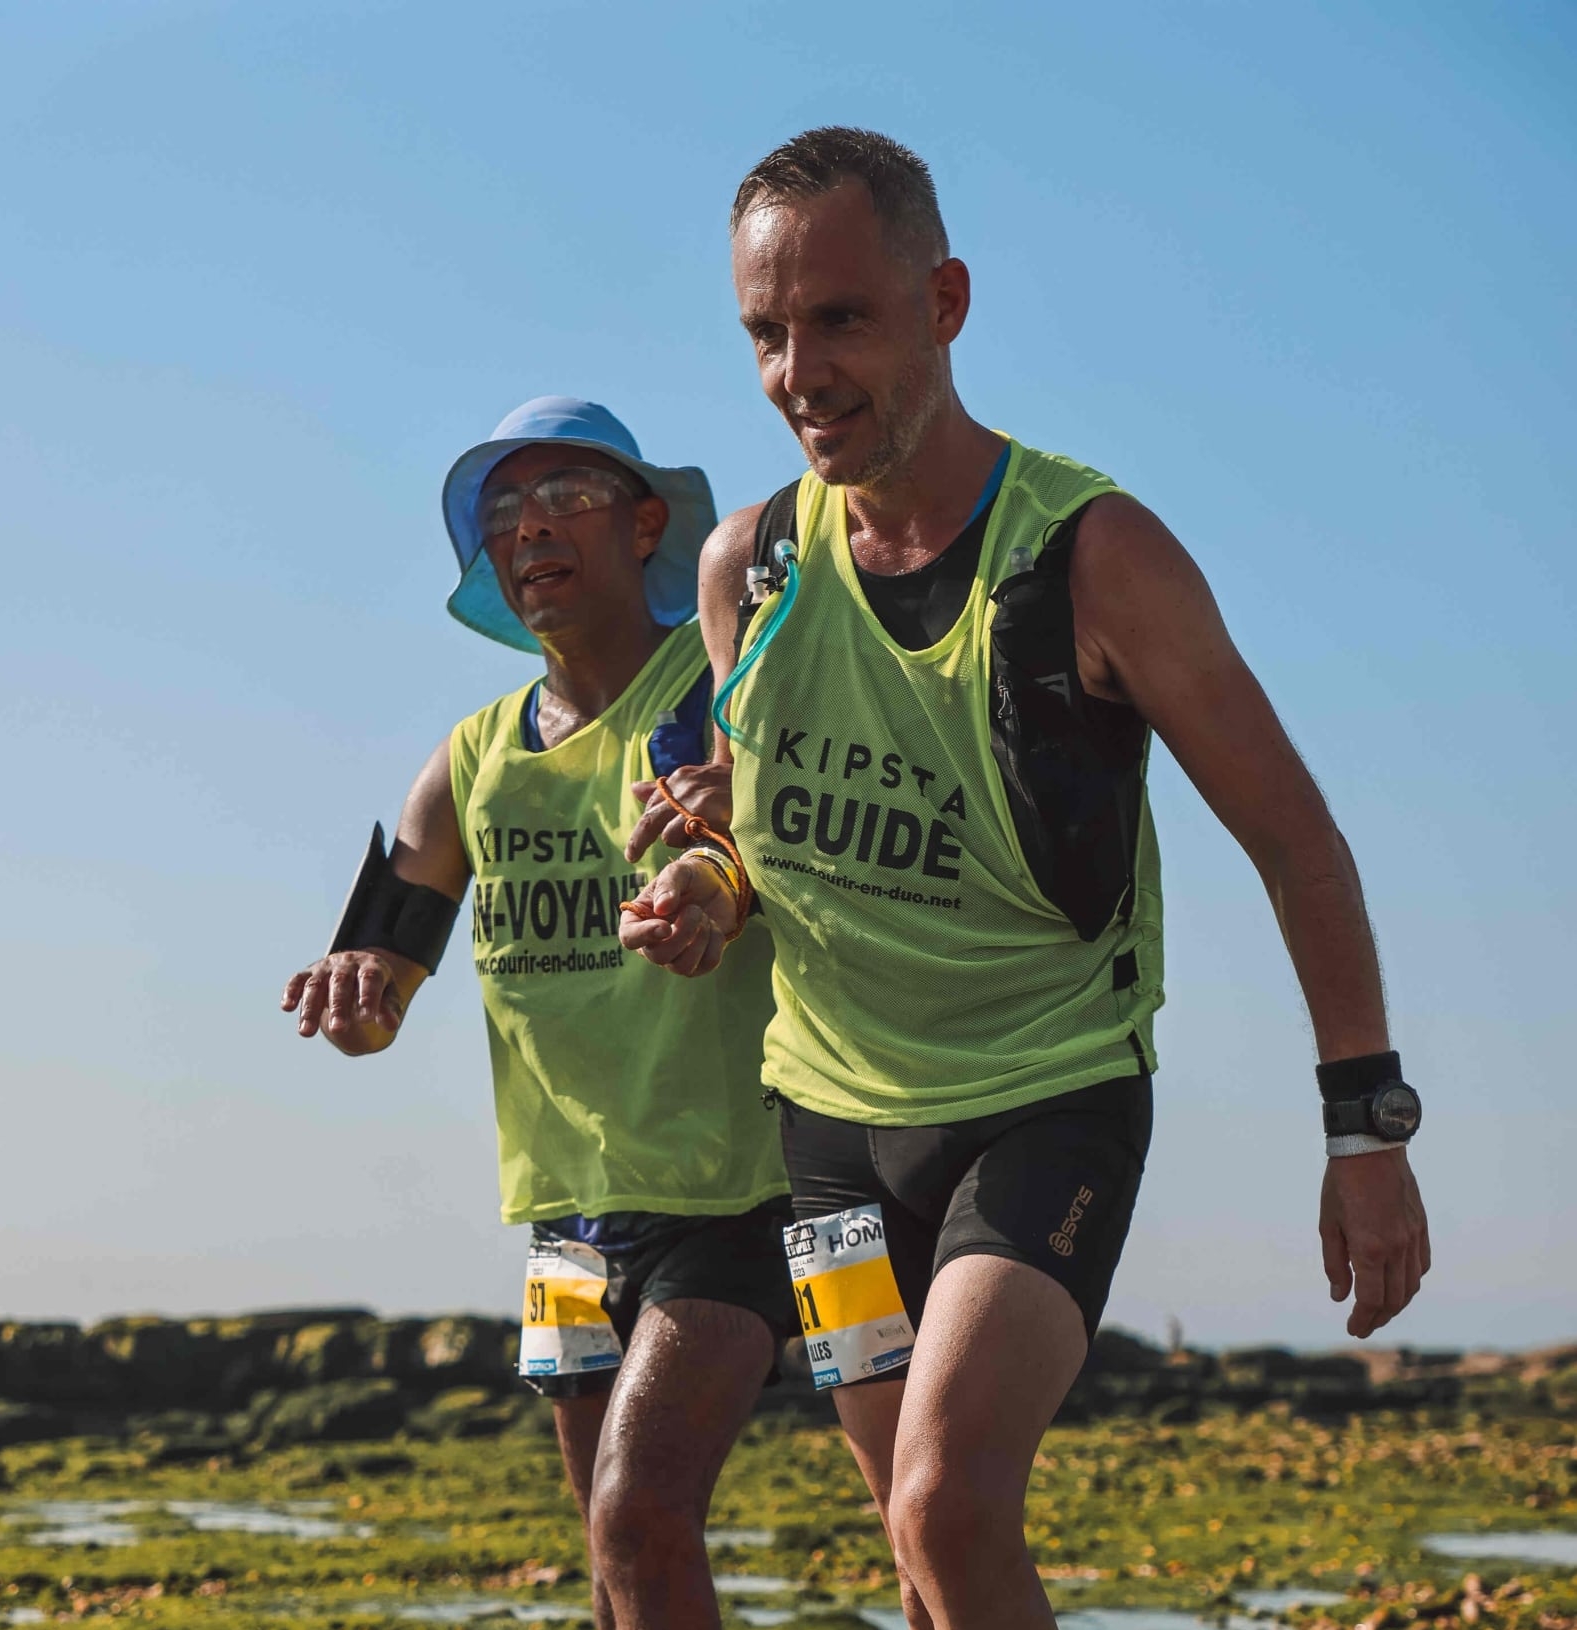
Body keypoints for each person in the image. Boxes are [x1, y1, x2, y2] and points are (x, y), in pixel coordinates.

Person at [621, 129, 1432, 1630]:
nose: (799, 369)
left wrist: (1362, 1126)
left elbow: (1295, 841)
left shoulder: (1092, 555)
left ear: (944, 301)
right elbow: (760, 817)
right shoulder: (751, 570)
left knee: (944, 1499)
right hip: (829, 1134)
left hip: (1039, 1098)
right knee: (915, 1548)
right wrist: (704, 883)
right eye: (763, 332)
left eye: (841, 319)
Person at [282, 397, 792, 1630]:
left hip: (733, 1188)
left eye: (565, 499)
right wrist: (350, 995)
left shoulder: (714, 689)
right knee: (615, 1562)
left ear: (645, 525)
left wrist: (715, 887)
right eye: (502, 514)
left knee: (638, 1511)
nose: (529, 531)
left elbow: (782, 851)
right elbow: (376, 1006)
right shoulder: (469, 760)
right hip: (564, 1220)